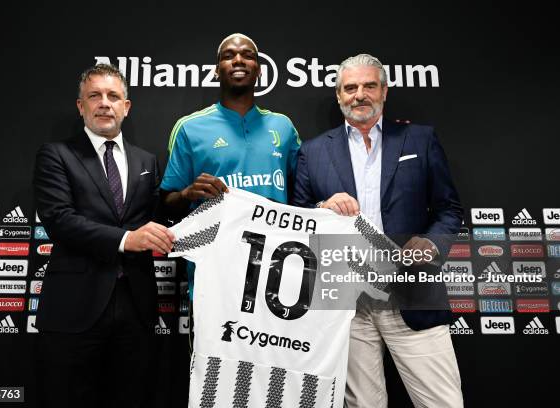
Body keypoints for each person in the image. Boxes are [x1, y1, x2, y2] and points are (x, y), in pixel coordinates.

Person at [293, 54, 464, 408]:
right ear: (339, 96)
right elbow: (298, 222)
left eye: (369, 85)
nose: (360, 95)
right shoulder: (312, 152)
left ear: (384, 91)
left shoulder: (420, 139)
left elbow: (450, 210)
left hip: (413, 294)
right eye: (350, 88)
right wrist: (321, 210)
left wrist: (431, 245)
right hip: (347, 305)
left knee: (443, 403)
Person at [33, 63, 174, 407]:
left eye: (113, 96)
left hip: (136, 306)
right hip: (75, 307)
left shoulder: (148, 161)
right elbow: (60, 220)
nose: (104, 103)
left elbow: (160, 218)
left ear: (126, 107)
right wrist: (128, 240)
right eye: (94, 95)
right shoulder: (56, 156)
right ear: (81, 106)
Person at [160, 33, 301, 302]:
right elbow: (166, 202)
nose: (238, 60)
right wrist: (188, 193)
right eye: (228, 56)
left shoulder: (283, 127)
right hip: (214, 269)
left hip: (276, 269)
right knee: (213, 344)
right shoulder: (189, 127)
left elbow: (302, 194)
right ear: (216, 71)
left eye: (248, 55)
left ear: (259, 70)